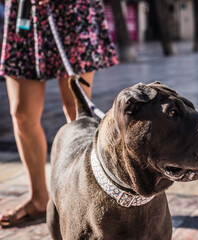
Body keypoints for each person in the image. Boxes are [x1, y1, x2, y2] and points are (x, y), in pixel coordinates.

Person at [0, 0, 119, 227]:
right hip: (25, 11)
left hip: (72, 10)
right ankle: (38, 198)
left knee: (76, 111)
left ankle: (80, 197)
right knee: (22, 113)